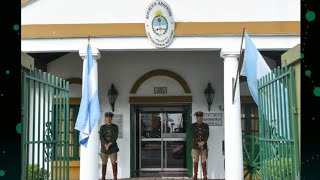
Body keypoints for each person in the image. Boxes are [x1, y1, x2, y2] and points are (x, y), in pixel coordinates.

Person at [99, 112, 119, 180]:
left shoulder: (115, 127)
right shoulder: (102, 127)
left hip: (113, 148)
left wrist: (109, 144)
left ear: (111, 118)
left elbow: (115, 137)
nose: (108, 119)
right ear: (105, 118)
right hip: (104, 148)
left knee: (114, 162)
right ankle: (103, 176)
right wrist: (105, 144)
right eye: (107, 117)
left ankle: (115, 177)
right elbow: (101, 137)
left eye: (109, 117)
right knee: (104, 162)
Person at [191, 111, 209, 180]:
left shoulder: (205, 126)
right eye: (198, 117)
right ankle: (195, 175)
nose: (199, 118)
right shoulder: (193, 126)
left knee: (203, 161)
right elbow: (193, 135)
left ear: (202, 117)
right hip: (195, 146)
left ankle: (204, 176)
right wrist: (198, 143)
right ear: (196, 117)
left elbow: (207, 135)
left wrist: (203, 142)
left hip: (204, 146)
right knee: (195, 160)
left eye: (201, 116)